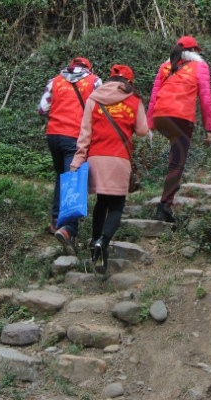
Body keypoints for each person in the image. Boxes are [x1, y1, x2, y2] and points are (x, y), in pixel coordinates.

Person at [69, 65, 149, 272]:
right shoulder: (134, 100)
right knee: (116, 206)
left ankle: (97, 251)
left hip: (96, 159)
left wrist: (77, 161)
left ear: (110, 79)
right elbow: (142, 130)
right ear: (129, 82)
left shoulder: (94, 98)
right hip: (119, 159)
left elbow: (85, 133)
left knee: (101, 203)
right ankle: (102, 241)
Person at [147, 35, 211, 223]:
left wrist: (149, 124)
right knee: (177, 162)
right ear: (193, 51)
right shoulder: (200, 67)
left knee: (174, 159)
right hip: (181, 118)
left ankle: (165, 201)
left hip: (161, 117)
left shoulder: (164, 67)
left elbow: (154, 96)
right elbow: (205, 99)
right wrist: (209, 128)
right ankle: (164, 206)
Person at [38, 57, 102, 250]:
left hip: (53, 136)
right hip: (74, 136)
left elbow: (42, 109)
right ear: (88, 68)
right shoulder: (94, 81)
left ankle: (56, 220)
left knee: (61, 176)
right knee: (74, 182)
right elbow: (101, 108)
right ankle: (68, 229)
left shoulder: (55, 80)